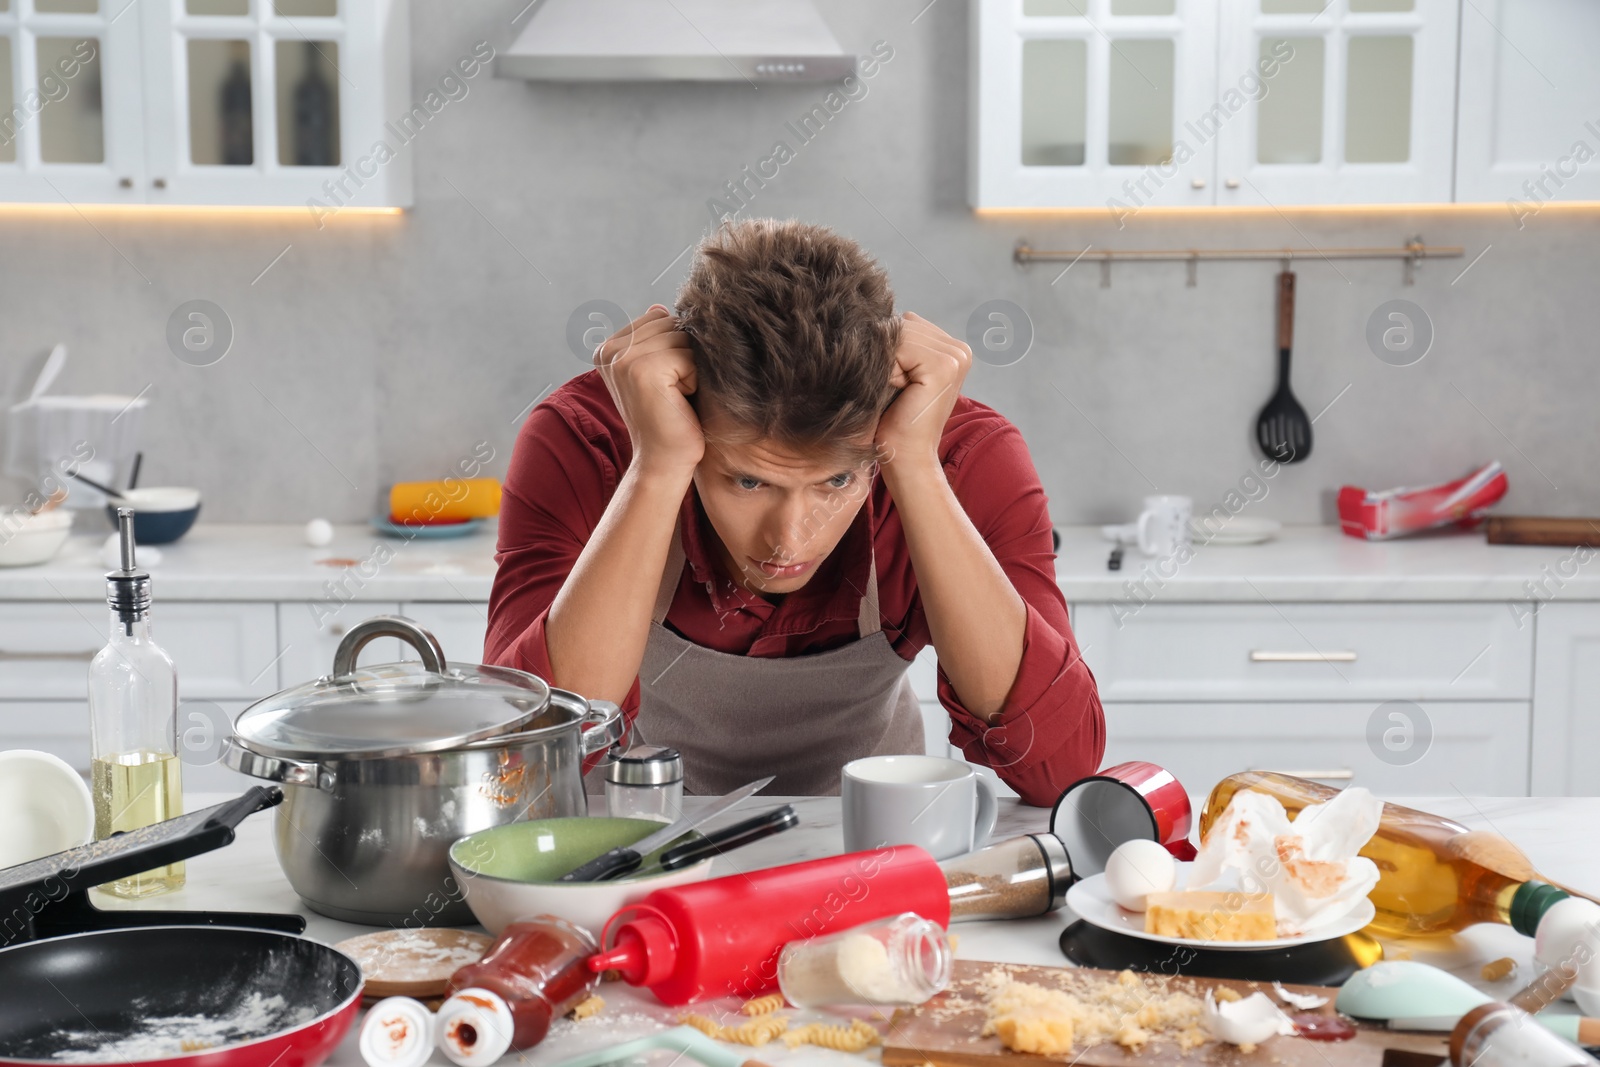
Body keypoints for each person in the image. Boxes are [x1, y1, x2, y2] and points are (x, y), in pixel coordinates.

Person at [486, 218, 1103, 806]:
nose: (788, 540)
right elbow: (516, 768)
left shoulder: (960, 455)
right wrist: (657, 467)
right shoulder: (590, 440)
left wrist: (913, 464)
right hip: (634, 847)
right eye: (748, 480)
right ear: (689, 410)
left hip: (863, 856)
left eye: (836, 480)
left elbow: (1061, 767)